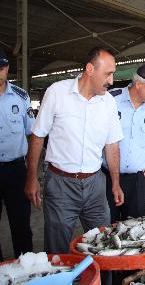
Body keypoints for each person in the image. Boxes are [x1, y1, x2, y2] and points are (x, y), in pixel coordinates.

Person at [25, 46, 124, 254]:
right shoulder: (57, 93)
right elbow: (38, 136)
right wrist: (31, 177)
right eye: (108, 74)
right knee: (57, 247)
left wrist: (115, 183)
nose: (112, 81)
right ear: (90, 69)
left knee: (103, 243)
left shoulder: (108, 103)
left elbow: (112, 145)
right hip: (60, 185)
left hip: (95, 185)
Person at [104, 63, 145, 222]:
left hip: (136, 181)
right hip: (107, 177)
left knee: (135, 225)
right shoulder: (110, 99)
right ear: (138, 84)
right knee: (106, 225)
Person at [0, 48, 34, 258]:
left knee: (21, 223)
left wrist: (32, 174)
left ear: (7, 68)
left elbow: (33, 134)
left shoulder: (21, 97)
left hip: (15, 170)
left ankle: (26, 267)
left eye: (1, 67)